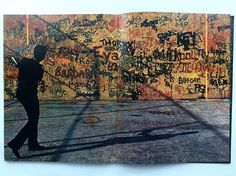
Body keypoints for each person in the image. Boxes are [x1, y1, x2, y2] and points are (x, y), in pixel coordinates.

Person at [8, 45, 48, 158]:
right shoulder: (38, 67)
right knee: (33, 119)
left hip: (21, 92)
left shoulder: (25, 61)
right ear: (40, 54)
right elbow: (37, 79)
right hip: (29, 93)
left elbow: (17, 65)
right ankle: (15, 143)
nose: (44, 56)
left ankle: (33, 143)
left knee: (33, 118)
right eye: (43, 54)